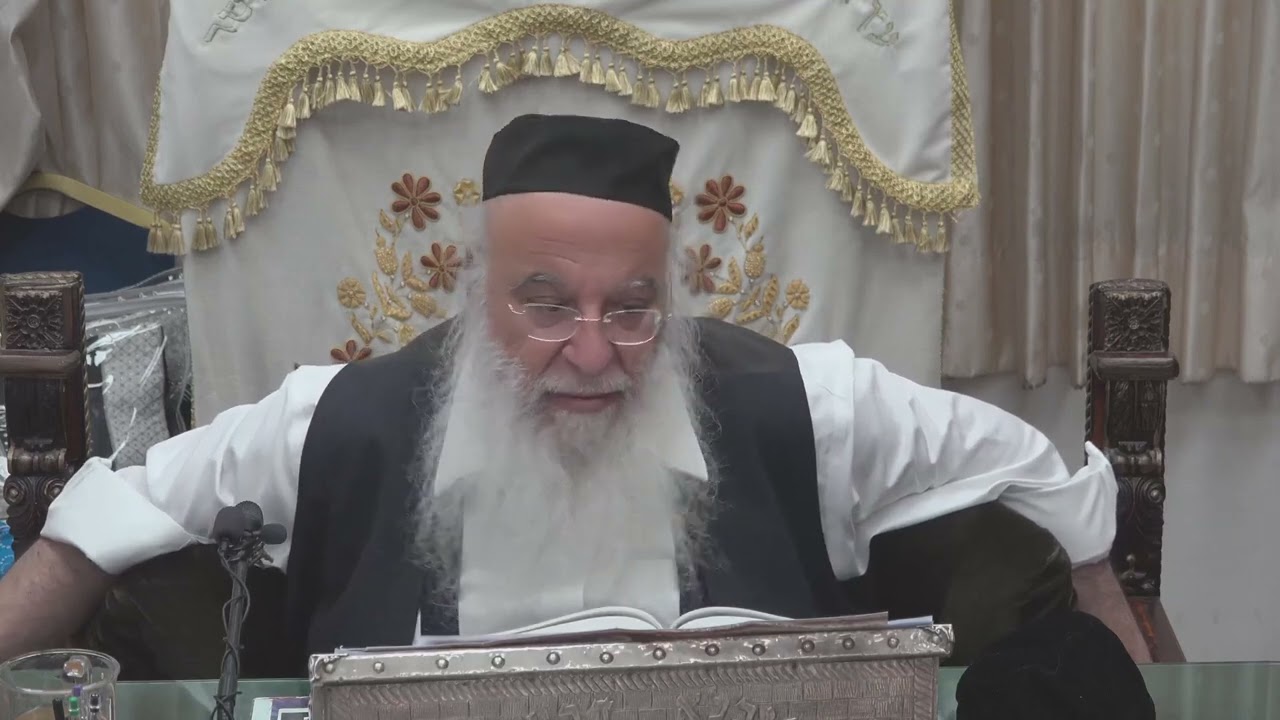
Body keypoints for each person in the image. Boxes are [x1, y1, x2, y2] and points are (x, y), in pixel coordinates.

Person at [0, 114, 1116, 671]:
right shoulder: (337, 418)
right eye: (544, 306)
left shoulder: (801, 403)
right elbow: (91, 532)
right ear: (475, 291)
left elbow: (1043, 479)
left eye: (631, 309)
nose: (591, 353)